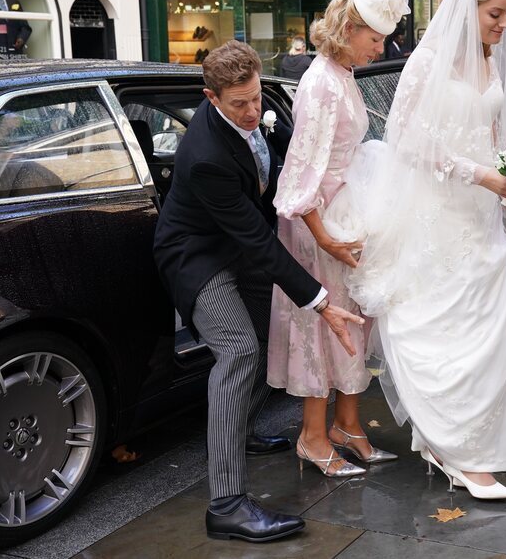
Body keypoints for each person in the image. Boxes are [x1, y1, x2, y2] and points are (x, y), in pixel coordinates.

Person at [348, 0, 506, 500]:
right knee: (441, 328)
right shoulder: (428, 61)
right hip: (438, 214)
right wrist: (479, 176)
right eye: (496, 14)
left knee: (490, 324)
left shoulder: (489, 64)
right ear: (470, 7)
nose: (503, 25)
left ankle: (466, 443)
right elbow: (405, 139)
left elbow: (495, 137)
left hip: (482, 212)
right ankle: (453, 447)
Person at [153, 40, 363, 543]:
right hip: (197, 256)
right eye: (238, 105)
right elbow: (256, 236)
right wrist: (321, 300)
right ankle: (226, 505)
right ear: (210, 98)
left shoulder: (258, 114)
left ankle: (238, 431)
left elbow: (294, 168)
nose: (253, 113)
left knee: (271, 341)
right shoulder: (205, 156)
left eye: (256, 100)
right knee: (240, 351)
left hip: (239, 248)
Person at [268, 0, 410, 477]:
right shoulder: (322, 84)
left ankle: (348, 425)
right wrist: (325, 241)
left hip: (344, 218)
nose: (381, 50)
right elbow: (301, 176)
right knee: (322, 325)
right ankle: (310, 434)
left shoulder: (342, 75)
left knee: (354, 320)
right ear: (350, 30)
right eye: (375, 39)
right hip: (317, 228)